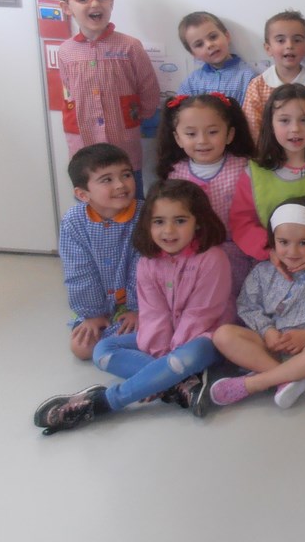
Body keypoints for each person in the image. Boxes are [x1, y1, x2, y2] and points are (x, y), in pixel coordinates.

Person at [34, 180, 235, 434]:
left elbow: (201, 316)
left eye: (180, 221)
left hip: (205, 339)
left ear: (198, 223)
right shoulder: (148, 263)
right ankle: (178, 383)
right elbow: (154, 315)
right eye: (158, 221)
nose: (168, 230)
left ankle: (106, 402)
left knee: (188, 356)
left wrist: (168, 358)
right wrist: (163, 358)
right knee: (103, 350)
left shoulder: (213, 259)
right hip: (168, 345)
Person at [211, 197, 305, 409]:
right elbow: (247, 306)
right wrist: (267, 331)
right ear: (273, 239)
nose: (293, 252)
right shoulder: (262, 271)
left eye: (303, 243)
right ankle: (288, 378)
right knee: (223, 335)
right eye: (284, 242)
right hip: (270, 346)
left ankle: (255, 383)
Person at [54, 0, 160, 197]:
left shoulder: (130, 46)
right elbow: (69, 92)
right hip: (85, 149)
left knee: (131, 202)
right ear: (66, 7)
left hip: (124, 147)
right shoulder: (66, 52)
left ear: (111, 3)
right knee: (90, 205)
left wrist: (135, 118)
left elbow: (149, 90)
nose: (94, 4)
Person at [230, 84, 305, 263]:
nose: (295, 128)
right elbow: (242, 223)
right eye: (284, 120)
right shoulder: (253, 172)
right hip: (270, 261)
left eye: (304, 120)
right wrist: (272, 252)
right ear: (271, 125)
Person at [155, 92, 257, 296]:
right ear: (178, 138)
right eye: (191, 134)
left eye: (212, 132)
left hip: (236, 252)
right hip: (190, 254)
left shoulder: (246, 168)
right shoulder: (175, 173)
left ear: (229, 134)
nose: (202, 141)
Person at [59, 143, 141, 361]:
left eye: (126, 175)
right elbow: (78, 272)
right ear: (83, 194)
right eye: (107, 179)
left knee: (146, 337)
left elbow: (144, 267)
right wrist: (93, 314)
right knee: (82, 349)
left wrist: (136, 309)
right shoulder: (74, 222)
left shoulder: (144, 215)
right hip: (97, 305)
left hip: (139, 304)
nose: (121, 184)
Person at [242, 10, 305, 143]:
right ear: (268, 48)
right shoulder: (257, 87)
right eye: (281, 40)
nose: (289, 46)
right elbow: (252, 129)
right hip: (268, 154)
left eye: (297, 40)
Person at [175, 11, 256, 104]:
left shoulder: (248, 78)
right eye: (199, 44)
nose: (209, 45)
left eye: (213, 37)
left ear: (227, 36)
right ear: (193, 54)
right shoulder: (191, 82)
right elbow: (179, 109)